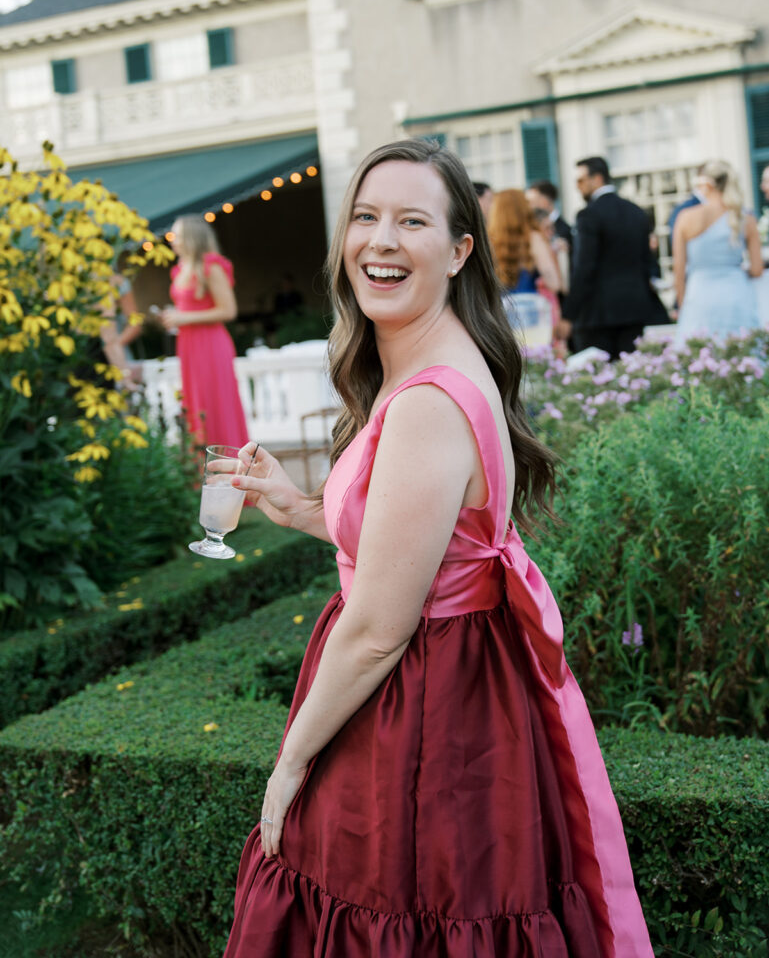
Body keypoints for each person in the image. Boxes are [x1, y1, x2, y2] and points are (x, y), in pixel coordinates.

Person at [222, 139, 653, 957]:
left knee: (404, 914)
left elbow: (381, 624)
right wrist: (302, 508)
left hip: (423, 707)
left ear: (459, 251)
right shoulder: (431, 361)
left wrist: (288, 765)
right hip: (450, 685)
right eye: (365, 217)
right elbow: (423, 538)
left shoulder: (427, 400)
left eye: (410, 221)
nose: (379, 241)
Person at [562, 156, 666, 360]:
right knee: (634, 378)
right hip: (637, 310)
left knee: (599, 381)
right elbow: (649, 263)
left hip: (598, 315)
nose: (577, 187)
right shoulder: (636, 212)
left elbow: (584, 268)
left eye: (581, 180)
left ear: (598, 178)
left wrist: (569, 314)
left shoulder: (588, 215)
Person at [161, 214, 249, 446]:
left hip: (210, 343)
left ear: (191, 237)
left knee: (215, 402)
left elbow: (228, 310)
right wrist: (175, 318)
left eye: (177, 236)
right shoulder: (178, 270)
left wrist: (184, 317)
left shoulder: (212, 266)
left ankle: (227, 462)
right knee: (195, 403)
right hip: (188, 344)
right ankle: (200, 465)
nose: (172, 241)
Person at [673, 160, 762, 347]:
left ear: (706, 184)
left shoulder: (686, 217)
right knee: (742, 358)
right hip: (736, 295)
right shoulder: (746, 218)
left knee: (698, 359)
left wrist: (682, 307)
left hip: (699, 297)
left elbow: (679, 271)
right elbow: (757, 270)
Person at [487, 188, 563, 348]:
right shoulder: (532, 237)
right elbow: (554, 283)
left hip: (499, 316)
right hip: (530, 315)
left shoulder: (488, 241)